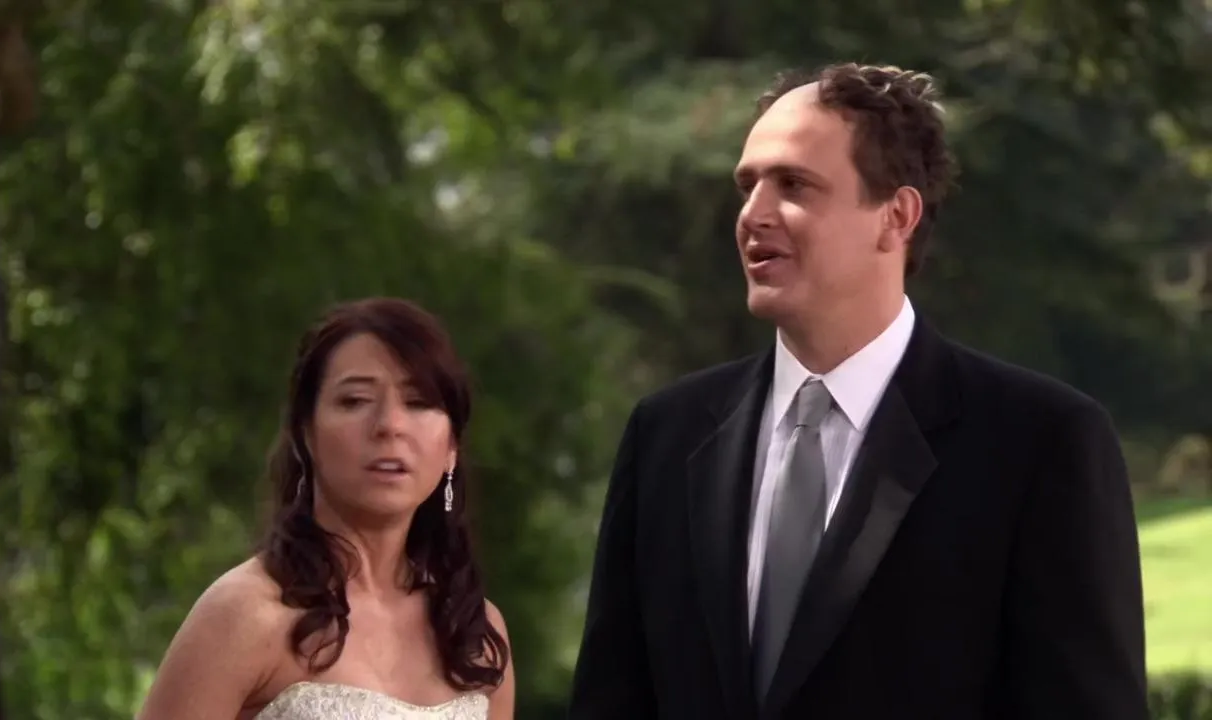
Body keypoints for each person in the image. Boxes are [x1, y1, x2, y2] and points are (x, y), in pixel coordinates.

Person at [568, 63, 1146, 719]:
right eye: (747, 186)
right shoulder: (666, 434)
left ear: (896, 216)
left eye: (793, 185)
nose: (753, 215)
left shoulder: (1038, 441)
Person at [138, 298, 514, 720]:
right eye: (355, 400)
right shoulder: (245, 613)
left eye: (418, 402)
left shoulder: (477, 634)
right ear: (306, 434)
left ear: (451, 447)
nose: (390, 425)